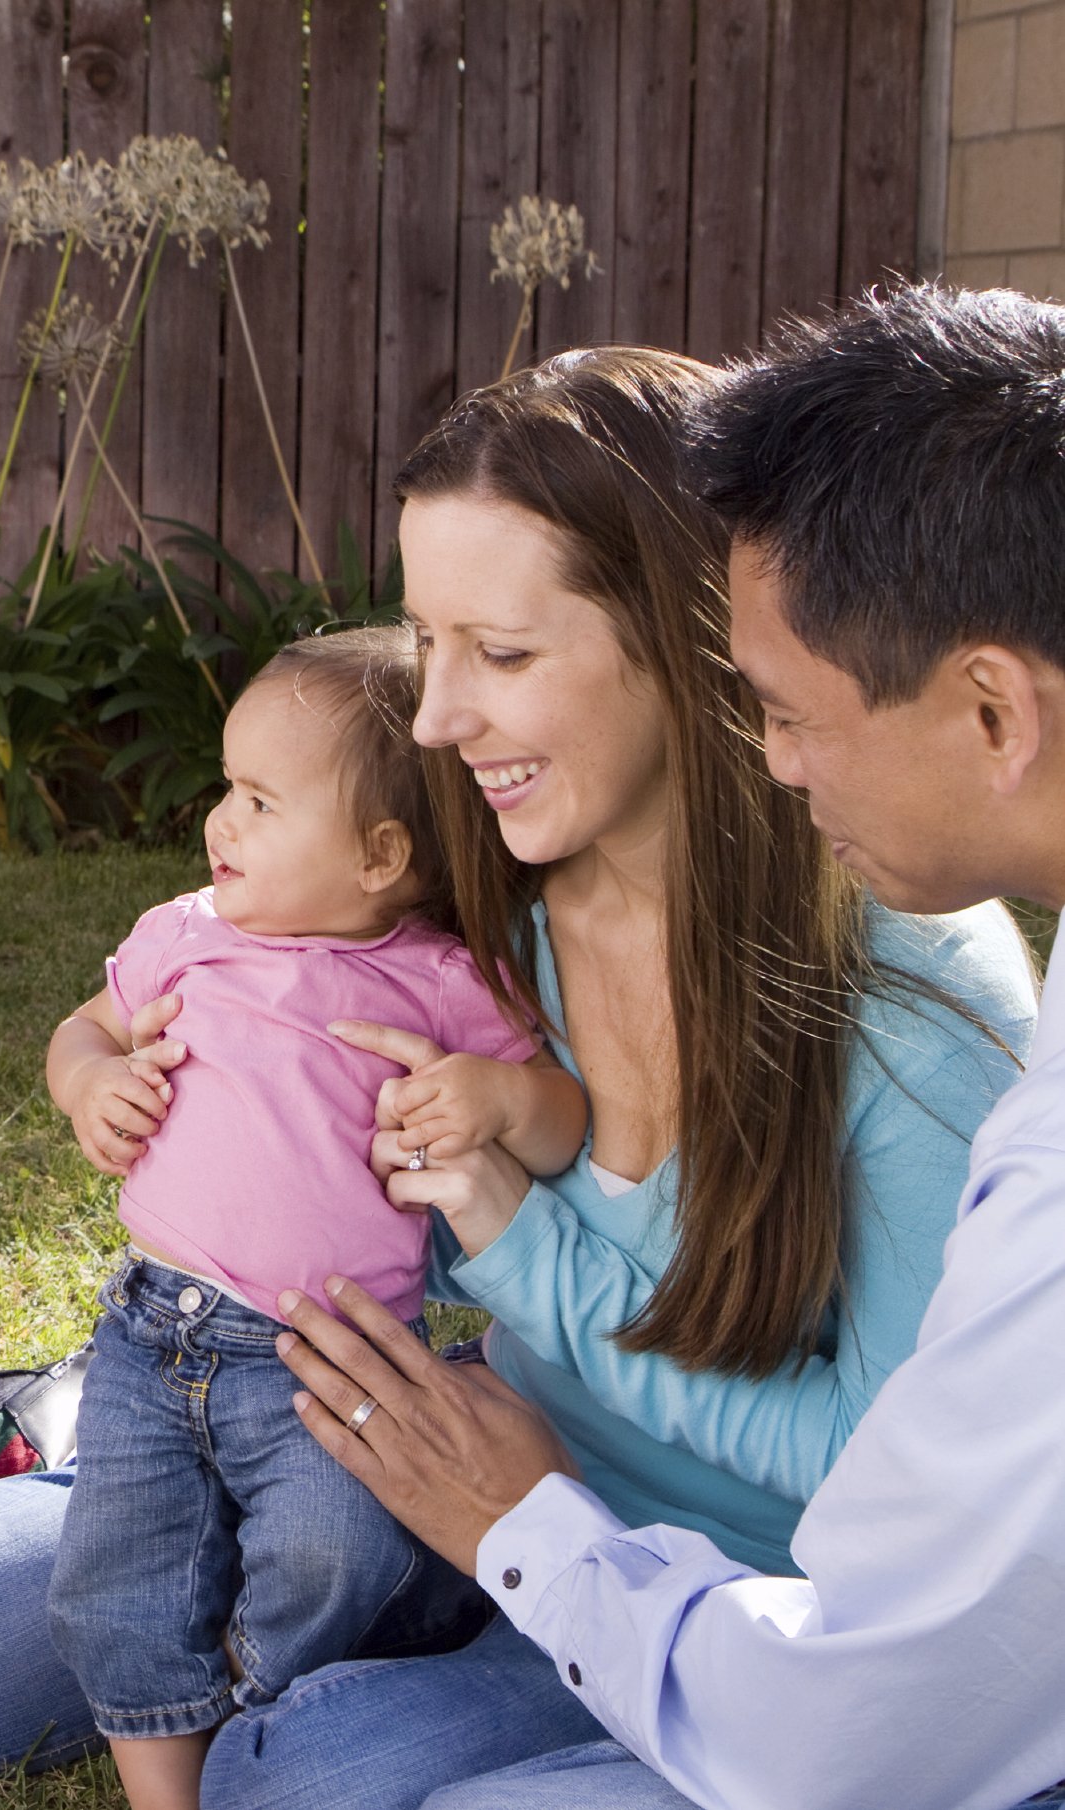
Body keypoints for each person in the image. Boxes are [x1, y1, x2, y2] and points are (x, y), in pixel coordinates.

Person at [200, 334, 1041, 1808]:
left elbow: (877, 1493)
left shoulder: (911, 972)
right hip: (502, 1493)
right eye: (427, 639)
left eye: (504, 653)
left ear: (691, 645)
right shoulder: (489, 891)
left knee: (304, 1774)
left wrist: (520, 1278)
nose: (435, 715)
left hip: (726, 1596)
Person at [40, 628, 585, 1808]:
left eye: (257, 800)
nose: (217, 824)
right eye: (225, 790)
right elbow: (81, 1032)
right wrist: (90, 1082)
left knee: (334, 1547)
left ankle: (258, 1700)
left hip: (327, 1357)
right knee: (112, 1570)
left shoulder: (439, 978)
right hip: (150, 1331)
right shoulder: (186, 932)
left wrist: (497, 1098)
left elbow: (563, 1118)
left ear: (381, 854)